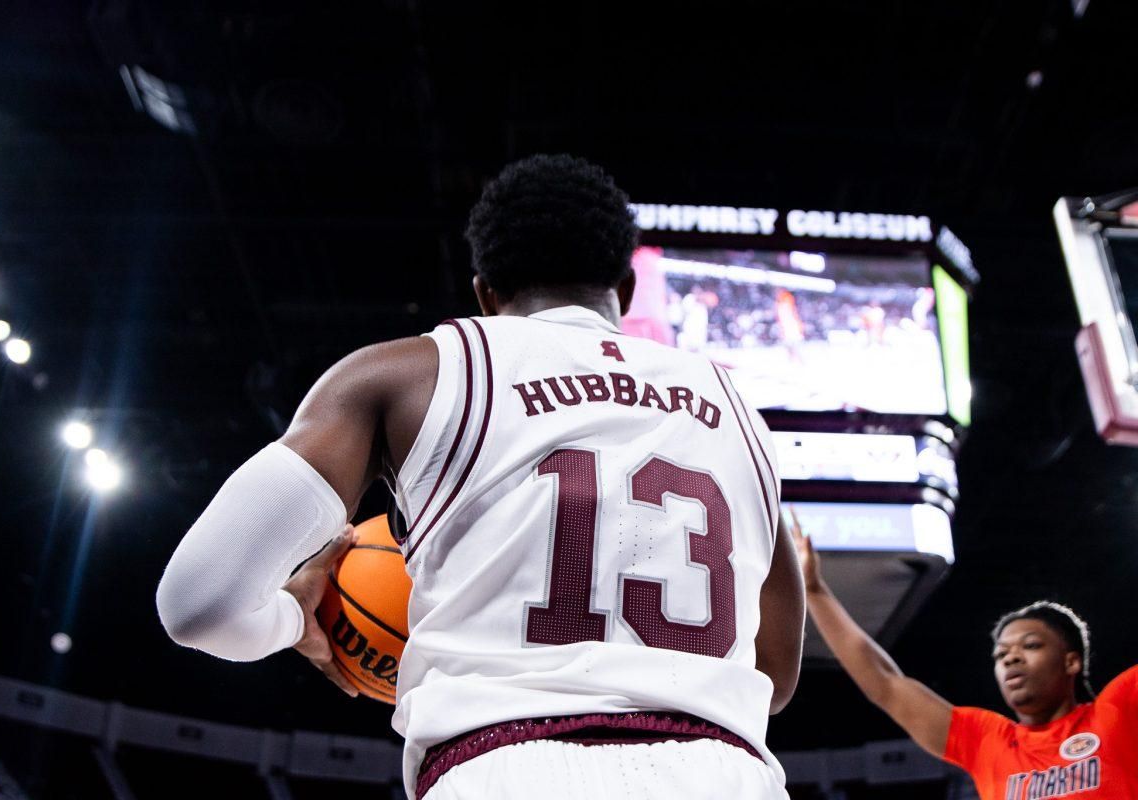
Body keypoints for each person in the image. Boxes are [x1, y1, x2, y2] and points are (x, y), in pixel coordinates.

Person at [156, 154, 805, 799]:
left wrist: (298, 622)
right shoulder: (739, 409)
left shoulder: (403, 374)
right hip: (725, 776)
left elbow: (198, 606)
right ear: (626, 290)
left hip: (503, 769)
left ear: (485, 292)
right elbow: (775, 675)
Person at [792, 514, 1137, 799]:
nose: (1010, 659)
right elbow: (887, 684)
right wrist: (814, 591)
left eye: (1031, 645)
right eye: (1001, 654)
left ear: (1071, 662)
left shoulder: (1117, 714)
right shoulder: (988, 741)